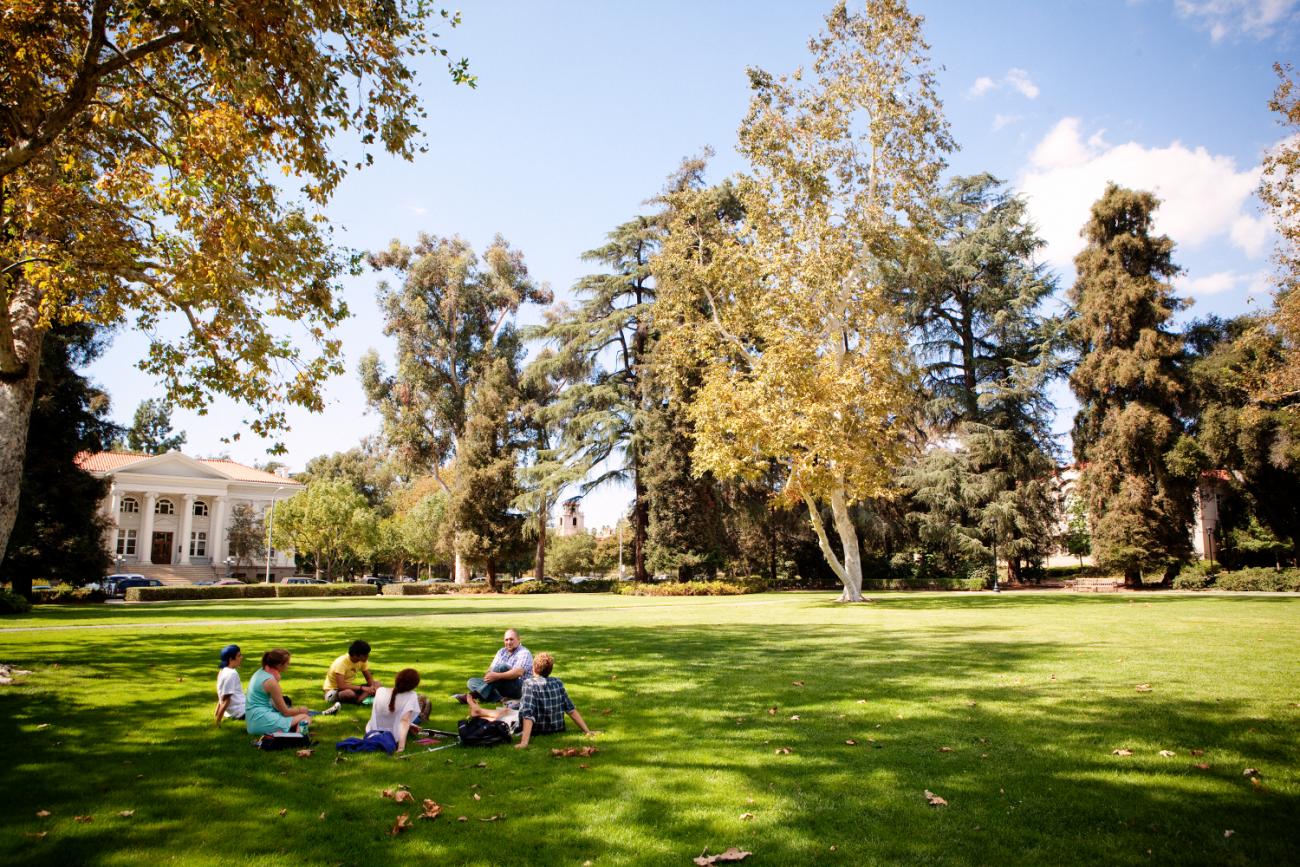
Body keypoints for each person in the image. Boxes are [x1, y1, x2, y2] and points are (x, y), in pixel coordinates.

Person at [514, 652, 595, 750]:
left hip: (538, 730)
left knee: (506, 712)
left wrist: (524, 742)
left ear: (534, 667)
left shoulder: (529, 684)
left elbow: (528, 714)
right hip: (557, 728)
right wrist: (587, 731)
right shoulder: (557, 682)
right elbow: (570, 709)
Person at [454, 629, 532, 704]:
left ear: (518, 640)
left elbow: (518, 672)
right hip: (501, 686)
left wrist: (497, 676)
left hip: (519, 688)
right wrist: (490, 675)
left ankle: (473, 695)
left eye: (511, 639)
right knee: (471, 682)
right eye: (506, 640)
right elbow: (490, 670)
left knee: (502, 667)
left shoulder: (524, 652)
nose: (508, 642)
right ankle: (500, 699)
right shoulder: (501, 651)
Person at [246, 648, 312, 736]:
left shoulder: (260, 672)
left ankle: (288, 732)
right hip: (262, 721)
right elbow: (285, 712)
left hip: (252, 722)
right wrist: (301, 710)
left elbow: (275, 705)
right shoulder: (270, 681)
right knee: (305, 717)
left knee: (293, 717)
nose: (289, 665)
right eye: (287, 663)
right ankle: (297, 738)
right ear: (279, 665)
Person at [366, 668, 424, 753]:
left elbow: (384, 715)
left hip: (372, 731)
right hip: (393, 735)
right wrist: (401, 747)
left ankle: (412, 724)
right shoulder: (412, 695)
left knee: (412, 720)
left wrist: (410, 724)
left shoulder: (380, 691)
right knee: (417, 718)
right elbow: (404, 721)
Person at [323, 639, 379, 705]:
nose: (367, 657)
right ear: (356, 655)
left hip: (349, 688)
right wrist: (363, 688)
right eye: (365, 655)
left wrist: (373, 688)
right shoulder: (341, 663)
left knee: (377, 684)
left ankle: (359, 701)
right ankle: (360, 700)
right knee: (349, 693)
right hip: (333, 691)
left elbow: (369, 678)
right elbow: (341, 686)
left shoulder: (362, 661)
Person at [214, 644, 245, 726]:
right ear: (231, 659)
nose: (241, 657)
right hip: (241, 711)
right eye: (239, 656)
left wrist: (216, 713)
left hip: (236, 710)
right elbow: (226, 699)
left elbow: (221, 695)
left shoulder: (222, 671)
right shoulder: (231, 674)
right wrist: (217, 722)